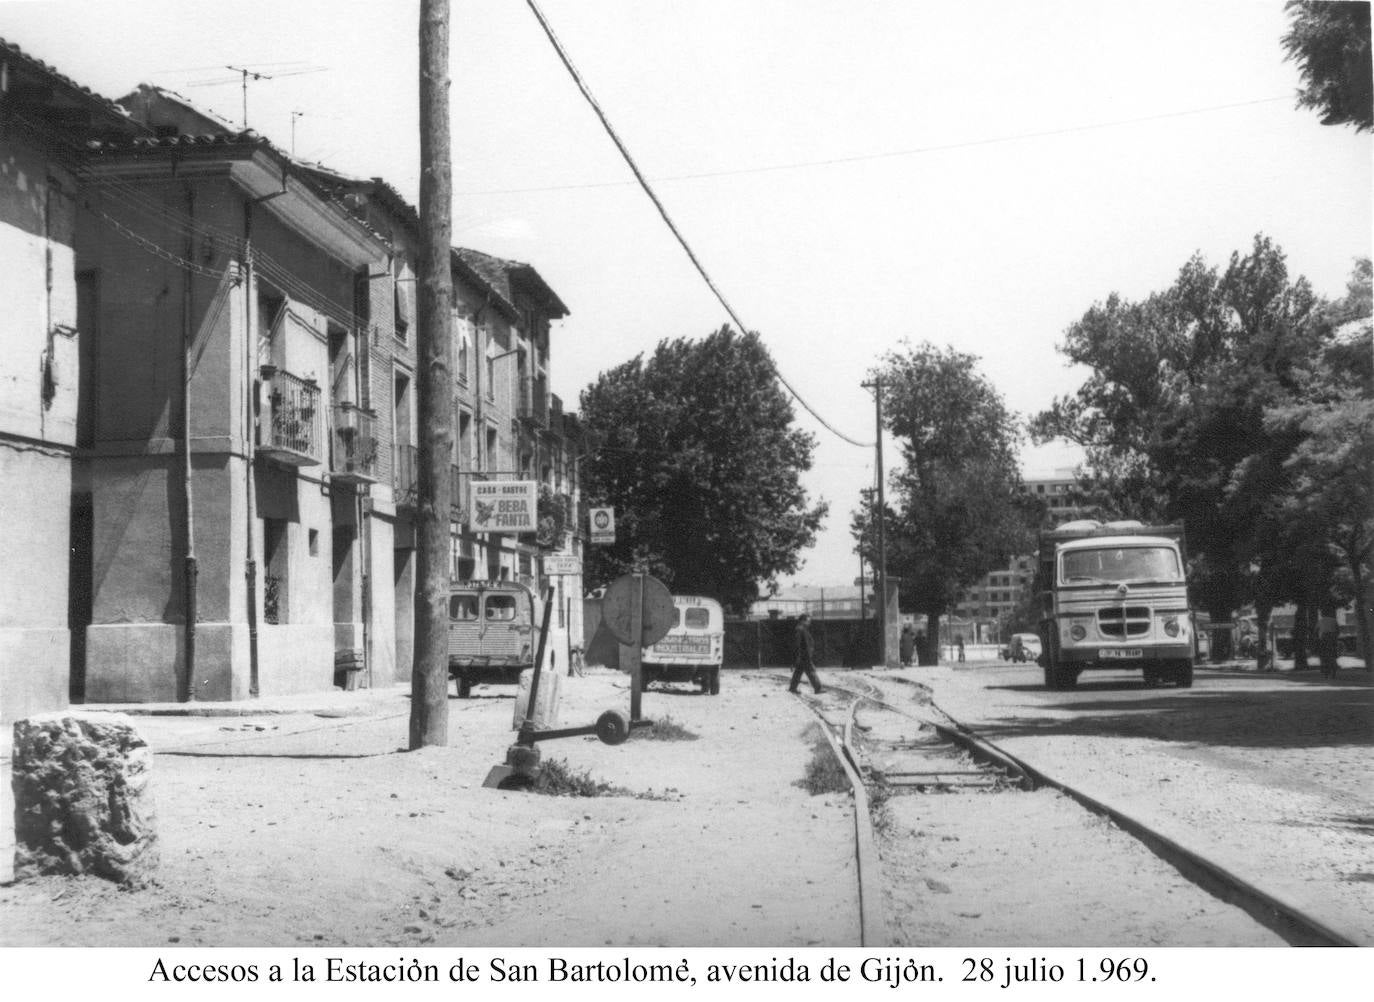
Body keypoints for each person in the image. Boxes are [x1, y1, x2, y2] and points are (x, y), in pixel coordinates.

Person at [789, 613, 823, 694]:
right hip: (804, 655)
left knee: (798, 672)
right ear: (802, 621)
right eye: (808, 621)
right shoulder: (800, 629)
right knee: (811, 671)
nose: (809, 622)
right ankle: (818, 688)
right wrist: (805, 655)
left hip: (802, 655)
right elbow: (799, 644)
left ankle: (792, 688)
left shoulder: (801, 629)